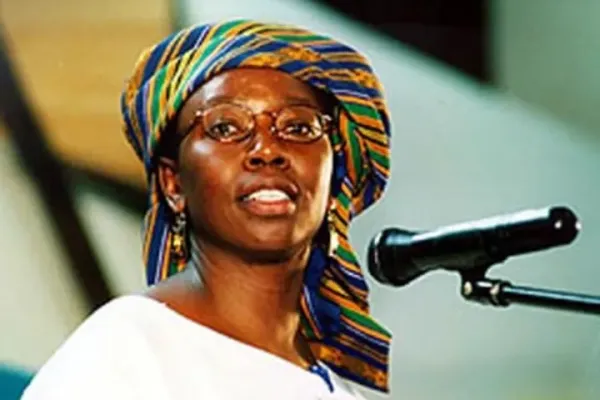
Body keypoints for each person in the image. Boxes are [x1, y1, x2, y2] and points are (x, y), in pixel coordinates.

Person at [22, 19, 394, 399]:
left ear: (333, 182)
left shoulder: (342, 391)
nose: (268, 150)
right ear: (173, 184)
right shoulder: (128, 349)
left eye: (298, 128)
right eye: (225, 128)